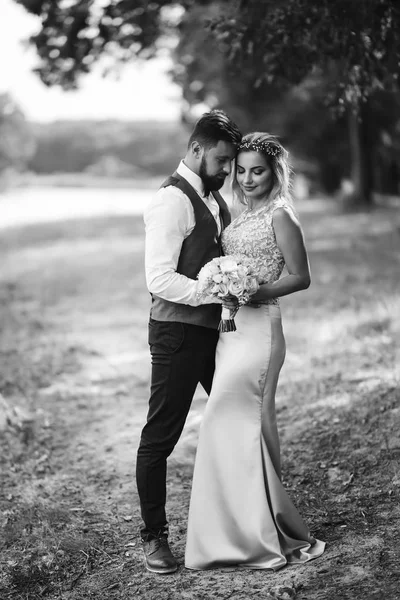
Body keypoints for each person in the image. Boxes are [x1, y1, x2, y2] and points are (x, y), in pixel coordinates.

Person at [185, 132, 325, 570]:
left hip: (261, 328)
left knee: (232, 415)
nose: (246, 179)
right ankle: (247, 521)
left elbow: (300, 277)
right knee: (250, 420)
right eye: (241, 170)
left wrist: (251, 290)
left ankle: (261, 525)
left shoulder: (281, 216)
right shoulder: (240, 214)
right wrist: (222, 285)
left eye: (256, 171)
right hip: (231, 330)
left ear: (274, 172)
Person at [136, 110, 242, 574]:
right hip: (177, 334)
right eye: (221, 161)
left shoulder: (214, 200)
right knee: (161, 437)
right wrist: (210, 291)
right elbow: (158, 279)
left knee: (236, 417)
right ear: (197, 150)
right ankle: (153, 536)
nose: (226, 171)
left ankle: (240, 519)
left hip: (215, 331)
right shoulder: (170, 202)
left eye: (230, 163)